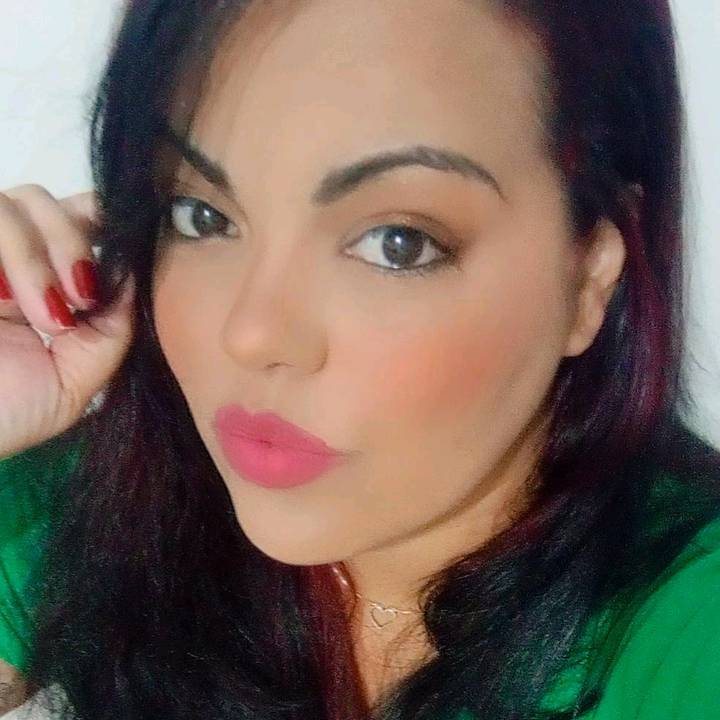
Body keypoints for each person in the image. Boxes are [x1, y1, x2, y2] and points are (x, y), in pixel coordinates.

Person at [1, 0, 719, 718]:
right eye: (202, 216)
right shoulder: (103, 504)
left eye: (398, 244)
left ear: (589, 274)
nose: (252, 335)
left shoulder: (686, 629)